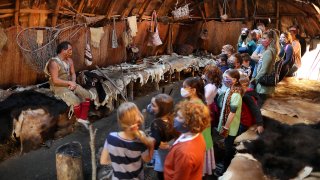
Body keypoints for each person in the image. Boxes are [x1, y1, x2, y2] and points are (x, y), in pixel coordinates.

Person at [100, 102, 155, 180]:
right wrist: (151, 145)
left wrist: (118, 162)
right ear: (138, 118)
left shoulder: (111, 138)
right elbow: (147, 159)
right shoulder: (140, 141)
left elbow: (103, 161)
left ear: (119, 120)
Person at [44, 41, 93, 128]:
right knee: (76, 100)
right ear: (63, 50)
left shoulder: (70, 61)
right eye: (69, 50)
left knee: (87, 95)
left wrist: (73, 82)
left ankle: (82, 118)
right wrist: (68, 83)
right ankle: (80, 119)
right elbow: (55, 80)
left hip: (70, 84)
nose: (71, 52)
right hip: (58, 87)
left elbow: (73, 73)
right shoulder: (54, 63)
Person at [164, 101, 210, 180]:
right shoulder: (197, 135)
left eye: (179, 117)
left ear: (190, 123)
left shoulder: (185, 153)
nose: (175, 119)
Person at [180, 77, 216, 176]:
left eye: (184, 87)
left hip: (199, 144)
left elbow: (191, 127)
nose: (182, 89)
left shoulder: (195, 106)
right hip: (203, 142)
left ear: (193, 90)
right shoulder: (197, 101)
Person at [215, 69, 243, 176]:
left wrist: (226, 127)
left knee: (228, 147)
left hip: (231, 127)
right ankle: (224, 163)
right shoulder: (230, 89)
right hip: (227, 124)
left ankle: (225, 168)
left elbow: (232, 113)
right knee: (227, 145)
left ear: (235, 80)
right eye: (224, 78)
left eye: (227, 79)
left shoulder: (235, 94)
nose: (225, 80)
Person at [147, 94, 179, 180]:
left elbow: (156, 142)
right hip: (172, 149)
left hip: (163, 153)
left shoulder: (156, 124)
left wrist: (146, 138)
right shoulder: (173, 117)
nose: (150, 106)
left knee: (163, 173)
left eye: (153, 105)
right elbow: (150, 109)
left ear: (161, 109)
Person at [251, 29, 280, 104]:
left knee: (260, 104)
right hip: (266, 83)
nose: (261, 40)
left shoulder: (268, 52)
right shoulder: (272, 50)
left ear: (270, 40)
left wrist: (255, 80)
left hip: (263, 85)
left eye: (264, 38)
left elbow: (264, 70)